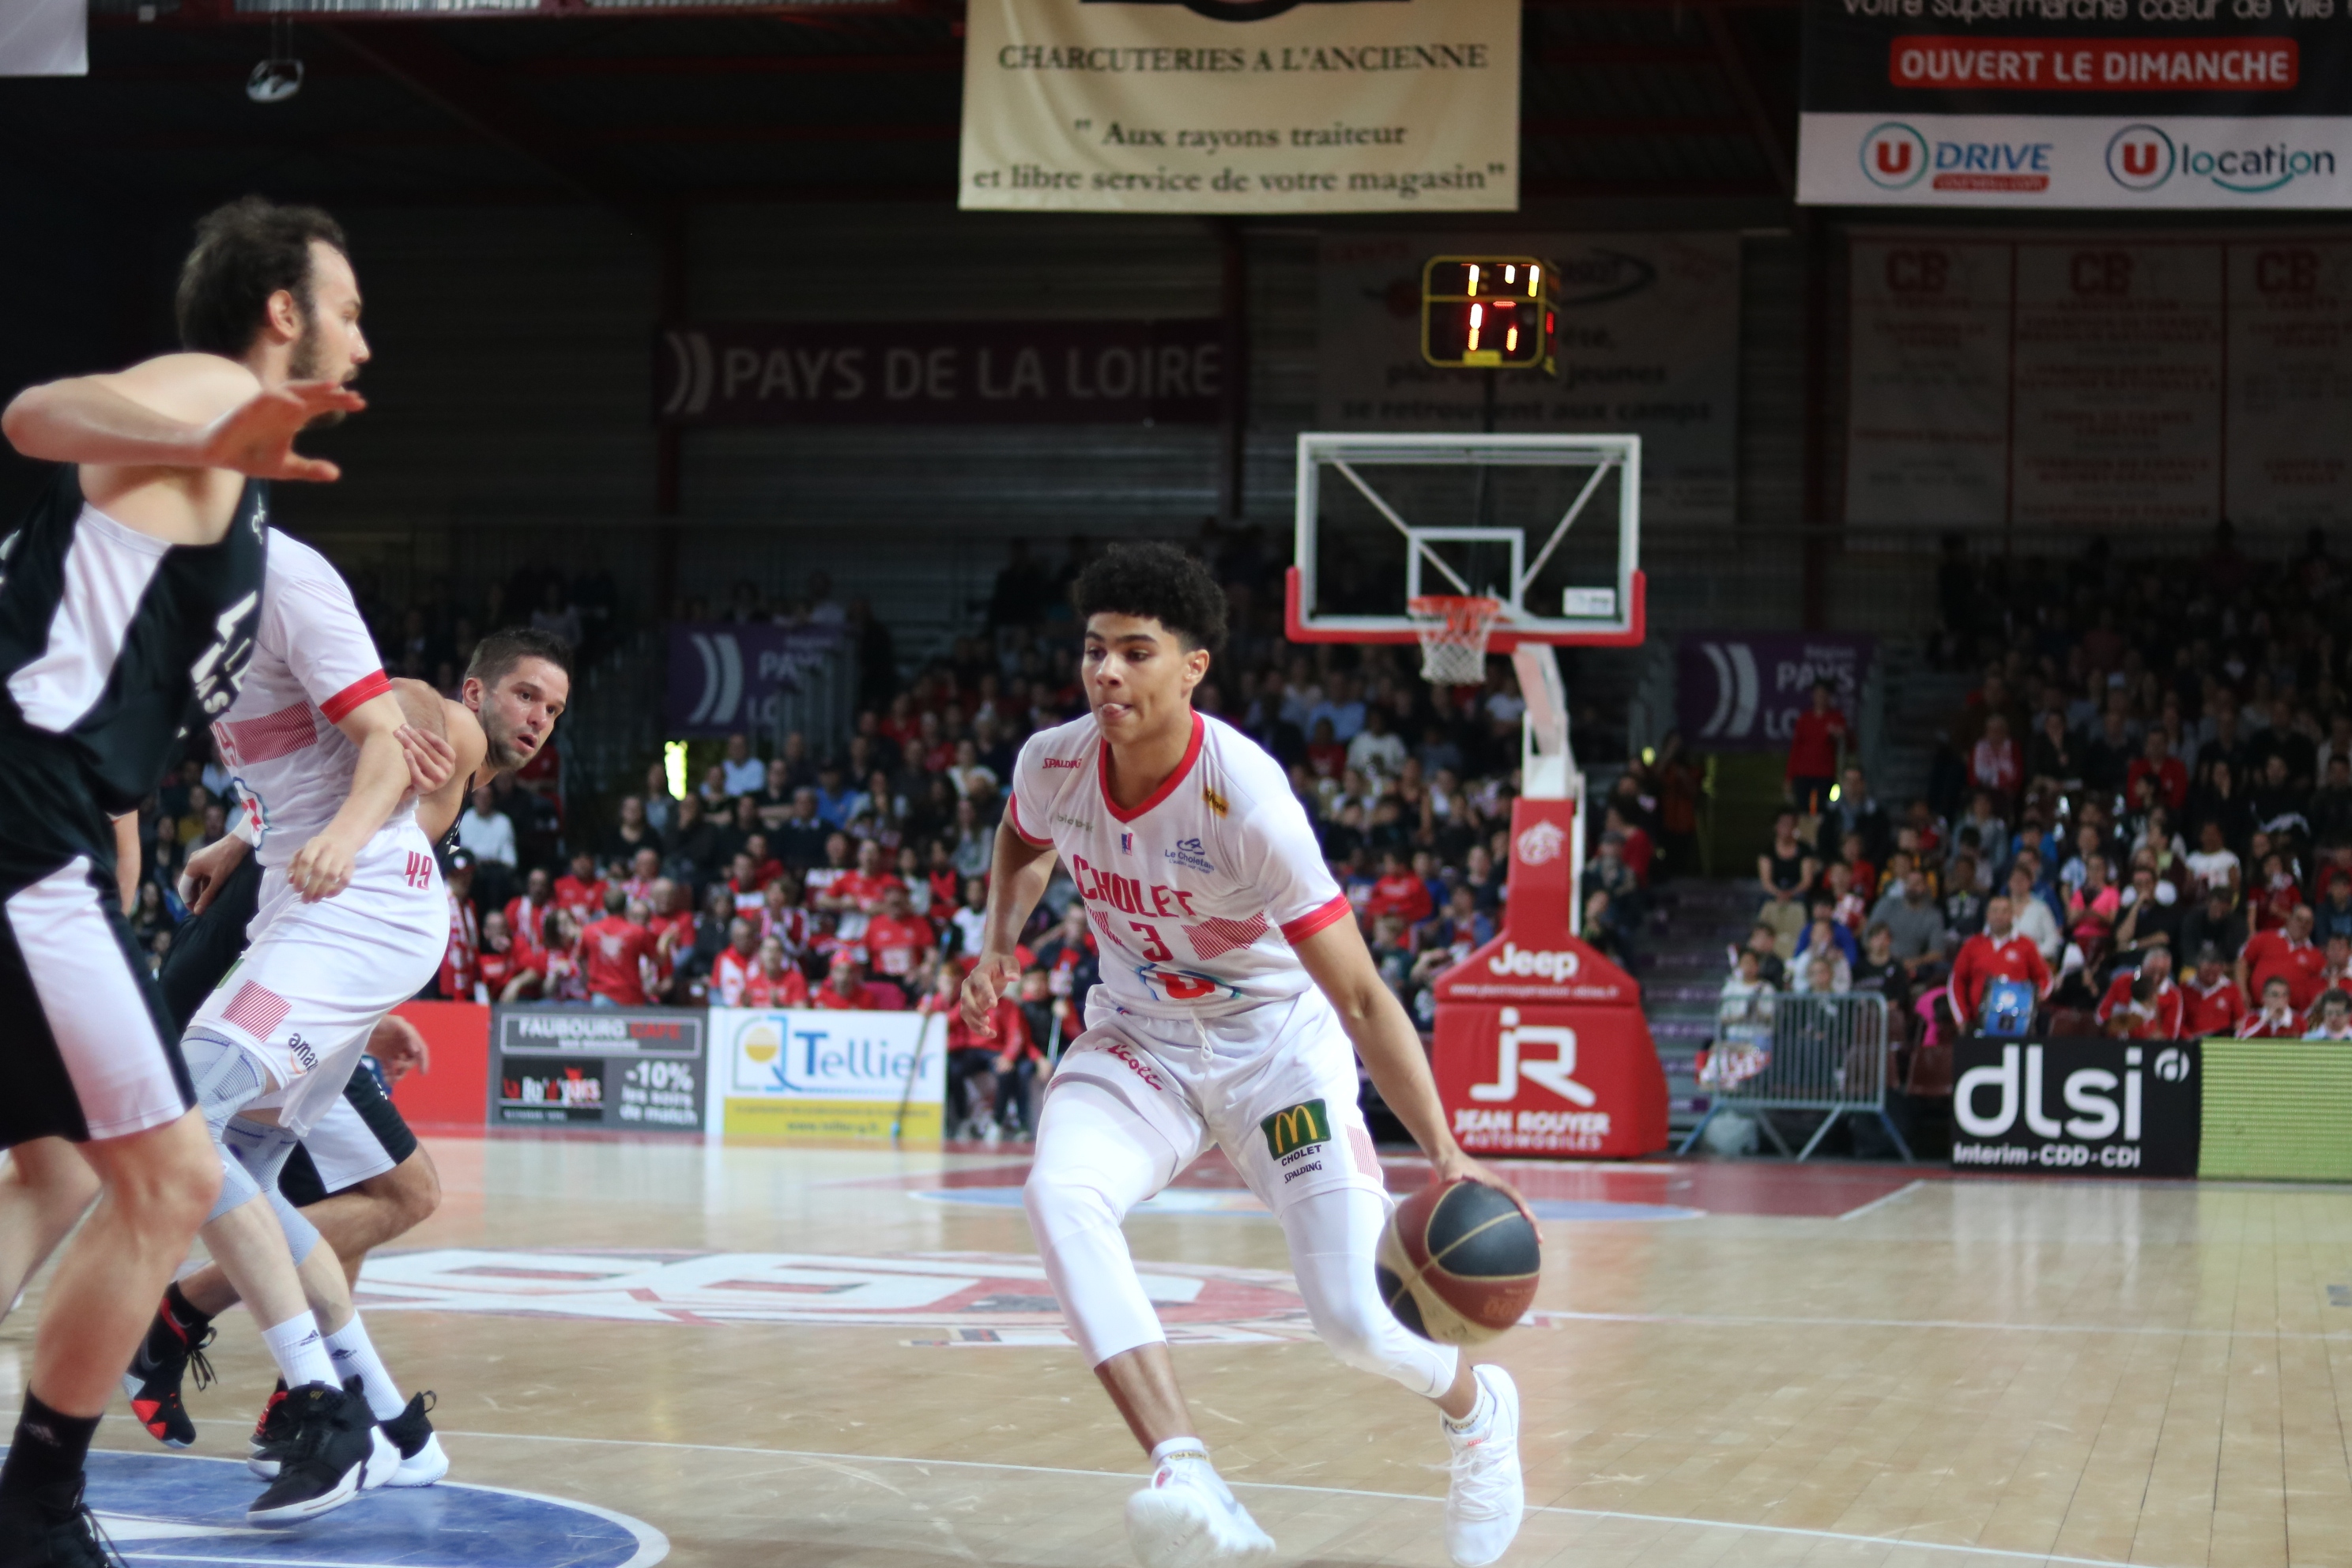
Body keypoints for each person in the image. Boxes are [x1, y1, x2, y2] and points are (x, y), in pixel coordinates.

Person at [959, 542, 1526, 1568]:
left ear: (1193, 668)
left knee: (1356, 1323)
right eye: (1094, 652)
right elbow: (1021, 840)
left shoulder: (1245, 800)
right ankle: (1188, 1471)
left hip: (1278, 1059)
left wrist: (1447, 1154)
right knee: (1058, 1196)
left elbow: (1358, 991)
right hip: (1142, 1043)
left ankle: (1480, 1409)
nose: (1108, 675)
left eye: (1137, 653)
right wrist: (996, 941)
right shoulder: (1053, 760)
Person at [0, 194, 383, 1559]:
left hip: (55, 815)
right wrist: (202, 429)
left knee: (52, 1168)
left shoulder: (233, 467)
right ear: (282, 311)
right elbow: (36, 413)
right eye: (346, 307)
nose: (365, 339)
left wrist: (129, 832)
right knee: (166, 1182)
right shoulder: (206, 390)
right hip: (18, 812)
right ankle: (36, 1508)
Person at [1947, 895, 2052, 1033]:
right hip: (1978, 1026)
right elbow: (1956, 982)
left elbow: (2046, 978)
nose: (1999, 916)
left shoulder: (2026, 945)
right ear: (1987, 915)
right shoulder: (1972, 945)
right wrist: (1961, 1019)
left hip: (2018, 1026)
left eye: (2004, 911)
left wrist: (2036, 998)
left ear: (2012, 914)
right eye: (1995, 911)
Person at [1785, 679, 1846, 814]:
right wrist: (1789, 777)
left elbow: (1849, 744)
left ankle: (1821, 834)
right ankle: (1805, 835)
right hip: (1803, 773)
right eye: (1817, 694)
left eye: (1824, 694)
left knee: (1824, 810)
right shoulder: (1804, 719)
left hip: (1825, 775)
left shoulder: (1836, 718)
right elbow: (1796, 749)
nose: (1820, 698)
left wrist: (1841, 734)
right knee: (1802, 810)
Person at [2095, 947, 2183, 1039]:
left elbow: (2170, 1035)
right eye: (2152, 971)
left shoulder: (2173, 995)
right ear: (2143, 966)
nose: (2155, 978)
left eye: (2162, 973)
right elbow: (2101, 1015)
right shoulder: (2122, 982)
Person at [2180, 945, 2243, 1038]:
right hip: (2193, 1043)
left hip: (2222, 1044)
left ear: (2221, 970)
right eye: (2207, 973)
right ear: (2197, 968)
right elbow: (2178, 1023)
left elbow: (2240, 1020)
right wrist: (2189, 1039)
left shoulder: (2231, 989)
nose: (2210, 977)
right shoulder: (2184, 990)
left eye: (2215, 973)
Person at [2237, 975, 2302, 1038]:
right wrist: (2264, 1022)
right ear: (2264, 998)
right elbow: (2239, 1042)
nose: (2280, 999)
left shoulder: (2298, 1021)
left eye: (2284, 995)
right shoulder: (2252, 1018)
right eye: (2275, 995)